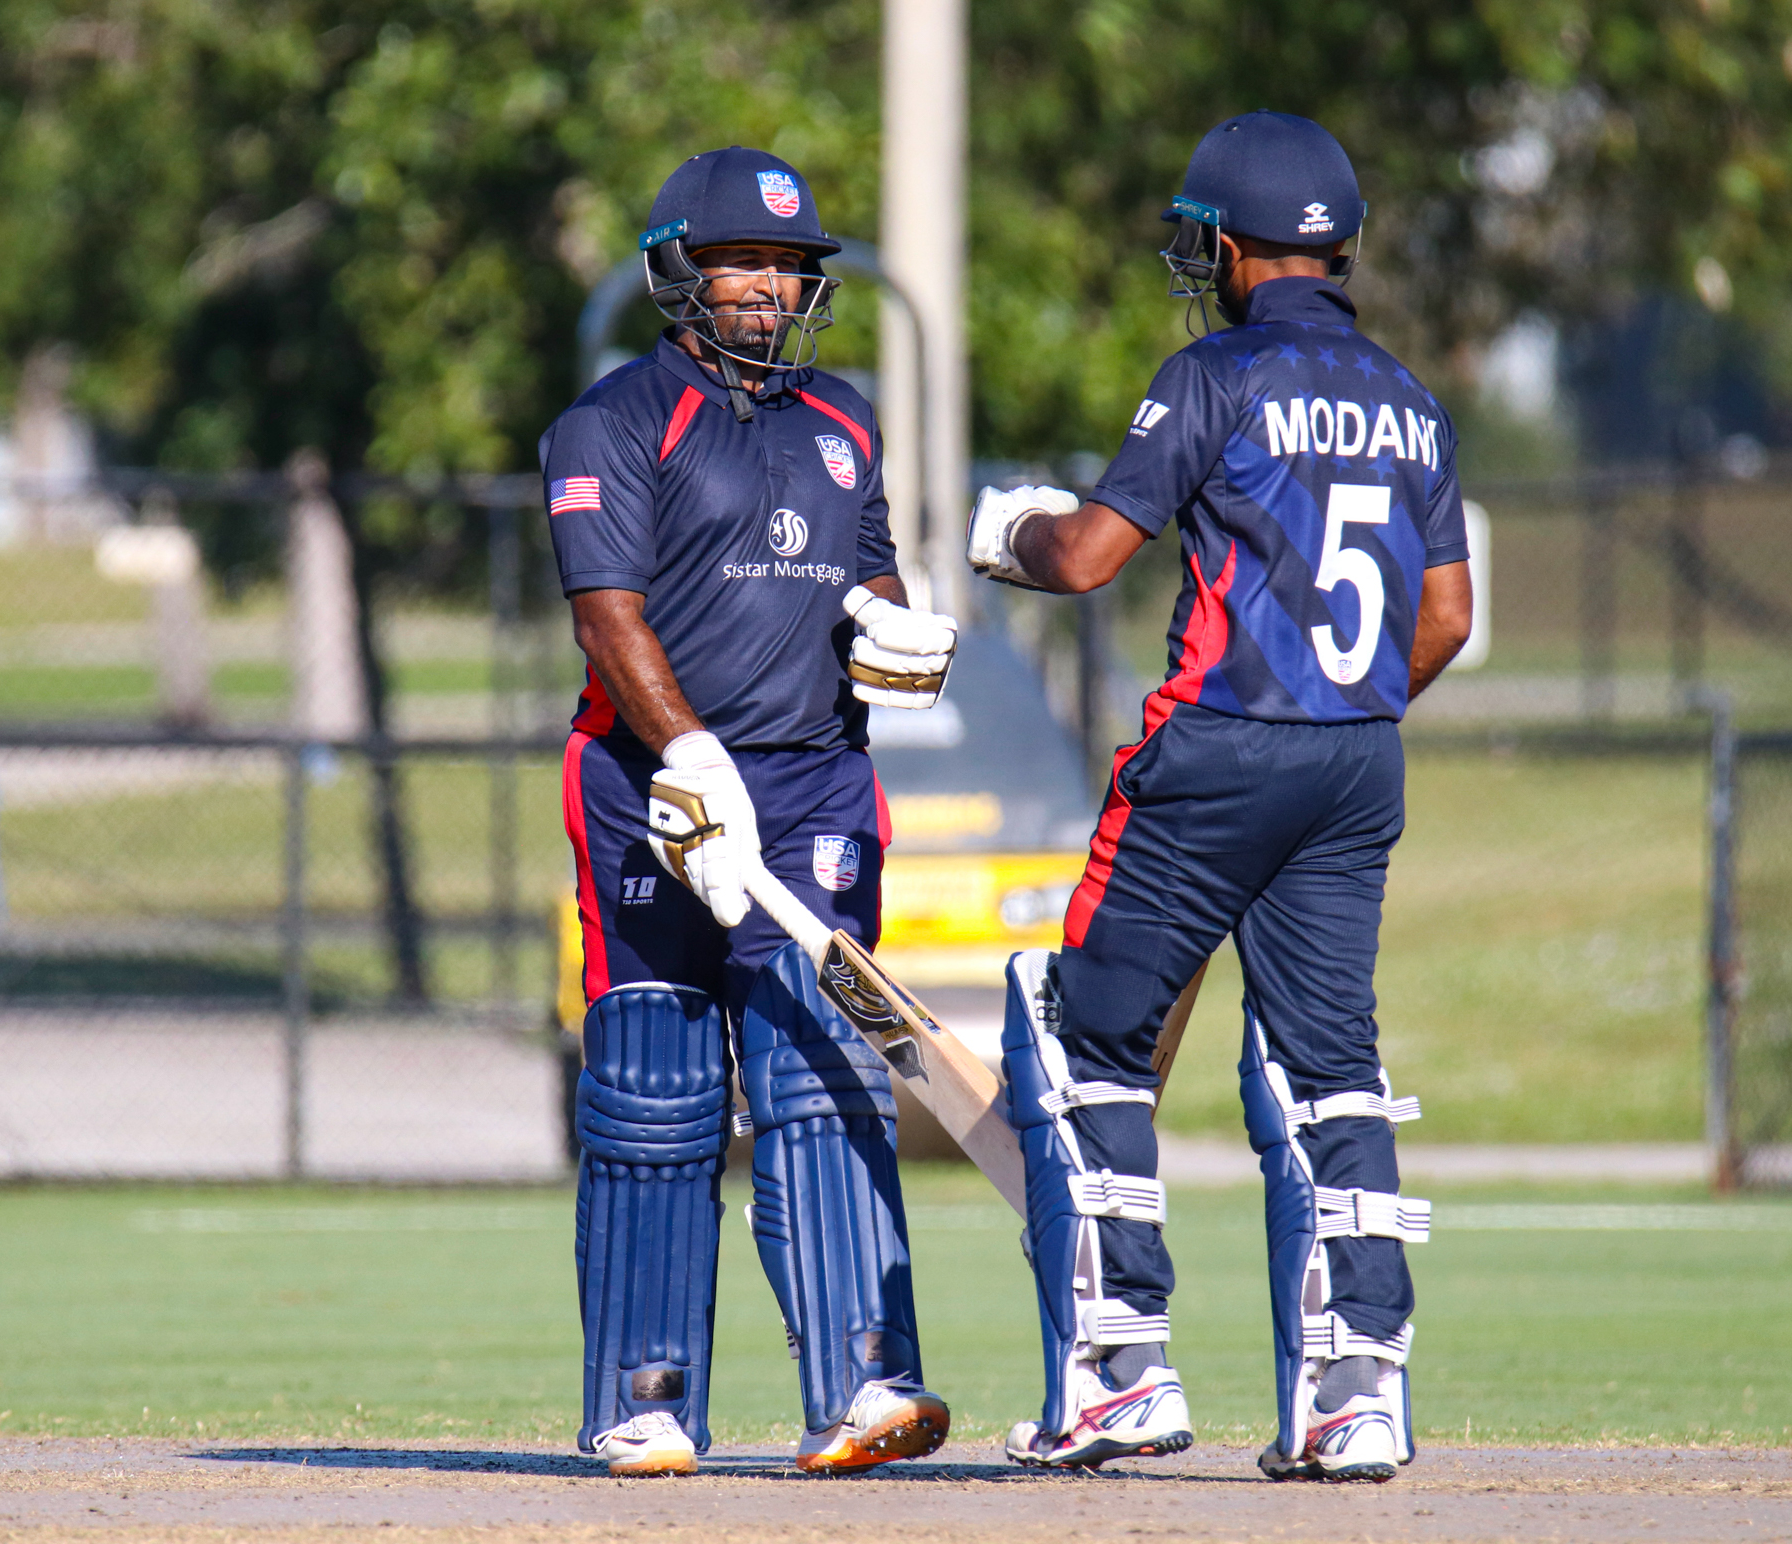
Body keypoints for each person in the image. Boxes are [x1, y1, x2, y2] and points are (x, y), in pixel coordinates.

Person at [967, 112, 1472, 1481]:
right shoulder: (1410, 398)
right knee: (1332, 1069)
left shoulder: (1213, 373)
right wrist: (1338, 708)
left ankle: (1118, 1376)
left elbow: (1086, 557)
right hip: (1357, 760)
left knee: (1083, 1037)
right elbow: (1446, 616)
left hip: (1215, 753)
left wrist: (1008, 532)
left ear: (1238, 248)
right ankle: (1356, 1395)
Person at [542, 146, 960, 1477]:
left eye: (788, 265)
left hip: (813, 785)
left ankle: (861, 1385)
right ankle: (646, 1398)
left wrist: (891, 629)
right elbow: (608, 616)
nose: (770, 286)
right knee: (655, 1093)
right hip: (651, 791)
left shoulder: (843, 420)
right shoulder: (612, 422)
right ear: (682, 271)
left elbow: (870, 573)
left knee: (822, 1069)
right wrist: (688, 754)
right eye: (743, 262)